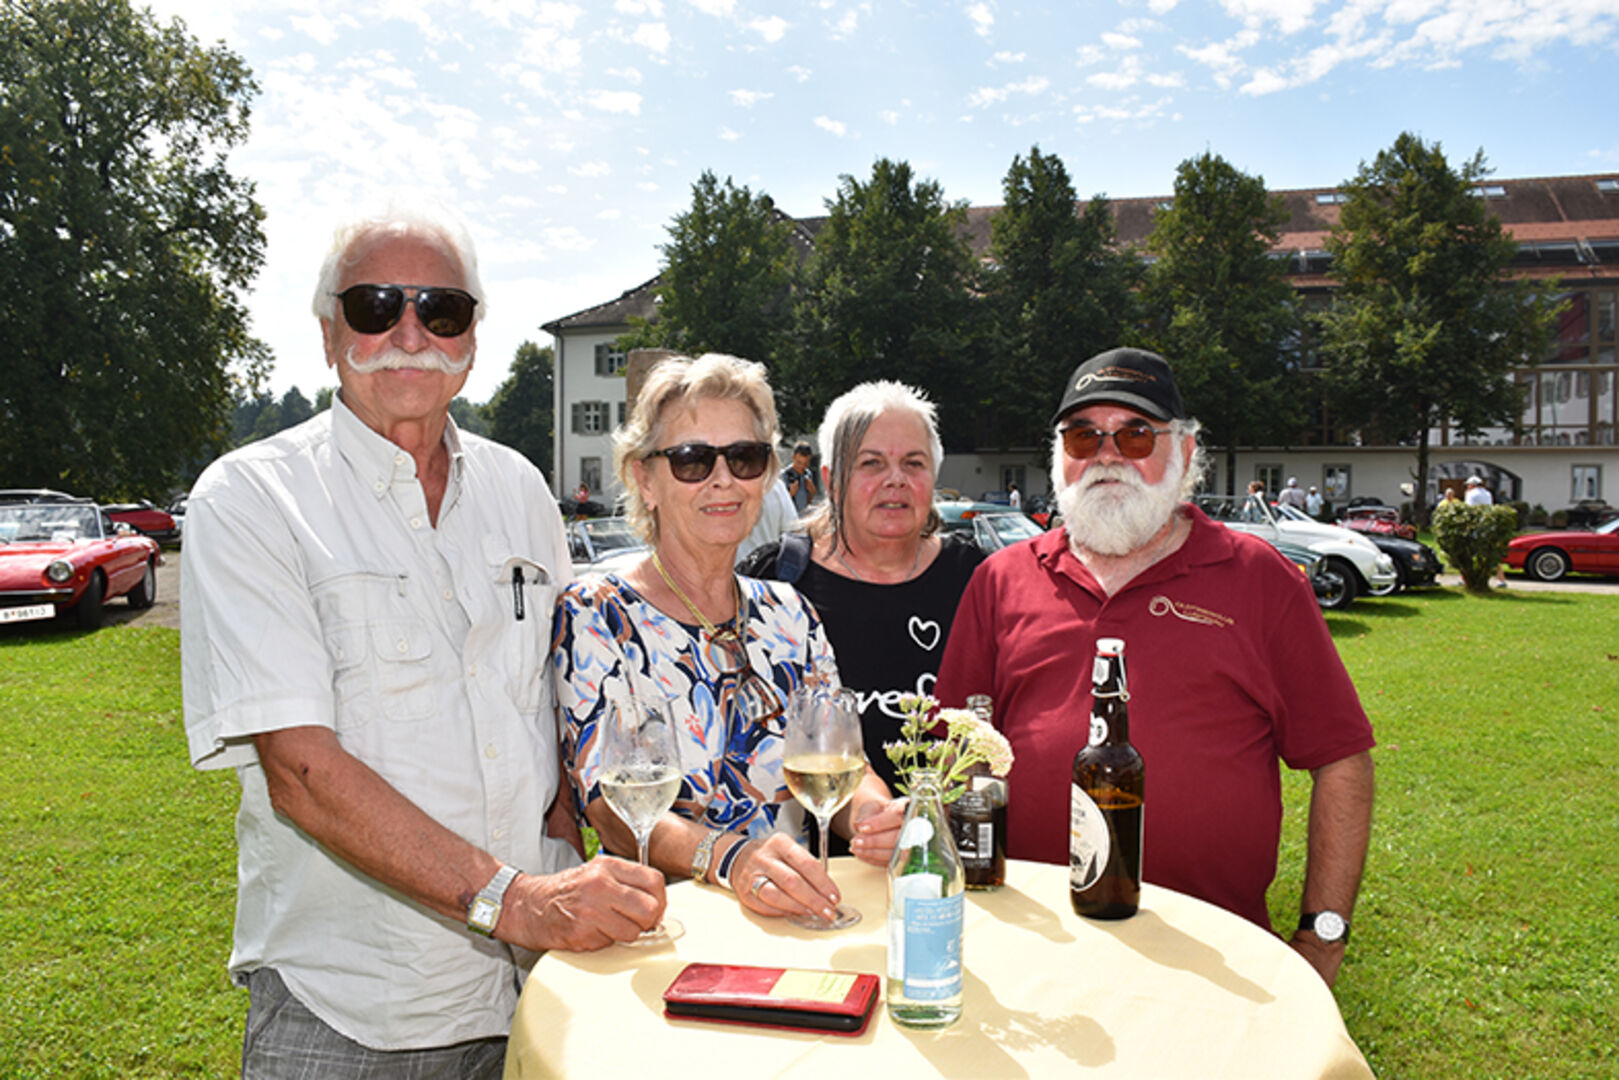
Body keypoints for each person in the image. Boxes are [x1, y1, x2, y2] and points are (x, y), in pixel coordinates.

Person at [181, 200, 667, 1076]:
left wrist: (570, 842)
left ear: (471, 339)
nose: (410, 333)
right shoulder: (253, 498)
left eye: (441, 310)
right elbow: (301, 773)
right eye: (374, 306)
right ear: (329, 333)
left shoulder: (521, 489)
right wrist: (514, 901)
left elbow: (554, 705)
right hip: (351, 1006)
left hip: (533, 991)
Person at [935, 347, 1375, 988]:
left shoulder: (1262, 580)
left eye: (1136, 434)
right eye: (1083, 436)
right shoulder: (1000, 580)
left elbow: (1342, 760)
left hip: (1216, 966)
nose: (1107, 456)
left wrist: (1322, 936)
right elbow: (954, 754)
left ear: (1187, 453)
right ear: (1059, 457)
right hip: (1032, 951)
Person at [554, 354, 904, 923]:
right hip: (667, 928)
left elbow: (843, 765)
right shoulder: (598, 614)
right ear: (644, 479)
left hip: (797, 917)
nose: (723, 480)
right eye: (692, 460)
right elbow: (610, 812)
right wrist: (731, 859)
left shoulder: (790, 613)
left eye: (744, 458)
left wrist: (872, 817)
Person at [739, 381, 986, 796]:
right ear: (831, 481)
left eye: (914, 463)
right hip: (815, 832)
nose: (896, 479)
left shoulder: (978, 580)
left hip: (949, 833)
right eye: (871, 463)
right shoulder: (776, 581)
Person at [734, 470, 796, 566]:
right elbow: (795, 533)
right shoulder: (775, 486)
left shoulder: (716, 487)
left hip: (730, 569)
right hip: (766, 567)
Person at [782, 441, 819, 515]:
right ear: (793, 457)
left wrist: (812, 492)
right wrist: (791, 494)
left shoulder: (807, 474)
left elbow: (807, 503)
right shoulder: (784, 475)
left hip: (804, 519)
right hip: (790, 519)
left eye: (806, 464)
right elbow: (780, 506)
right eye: (799, 462)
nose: (802, 467)